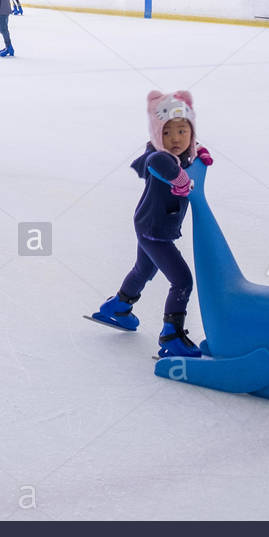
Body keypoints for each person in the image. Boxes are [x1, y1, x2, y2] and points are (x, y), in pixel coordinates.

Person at [89, 91, 214, 358]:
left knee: (143, 270)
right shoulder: (161, 157)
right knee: (182, 280)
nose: (175, 139)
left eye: (183, 131)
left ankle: (118, 307)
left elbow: (185, 154)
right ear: (158, 137)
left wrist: (198, 152)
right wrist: (181, 181)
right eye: (167, 133)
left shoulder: (179, 156)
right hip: (155, 231)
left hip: (149, 224)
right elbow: (156, 162)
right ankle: (171, 336)